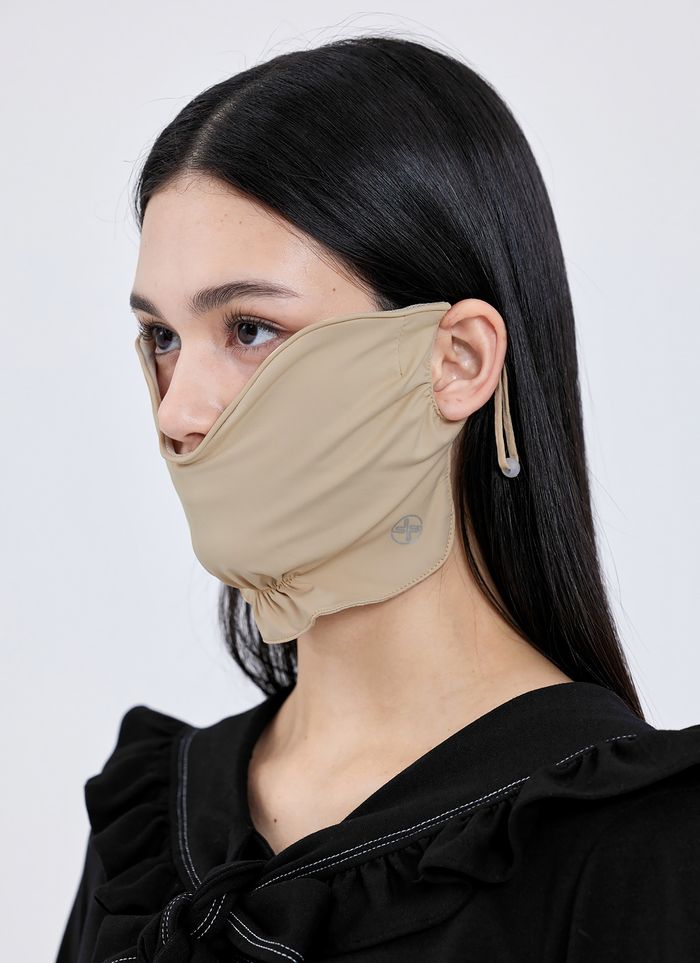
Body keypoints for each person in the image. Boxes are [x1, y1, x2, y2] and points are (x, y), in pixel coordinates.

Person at [55, 34, 700, 963]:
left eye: (250, 328)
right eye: (163, 338)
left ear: (457, 361)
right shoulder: (152, 827)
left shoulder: (641, 844)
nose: (179, 410)